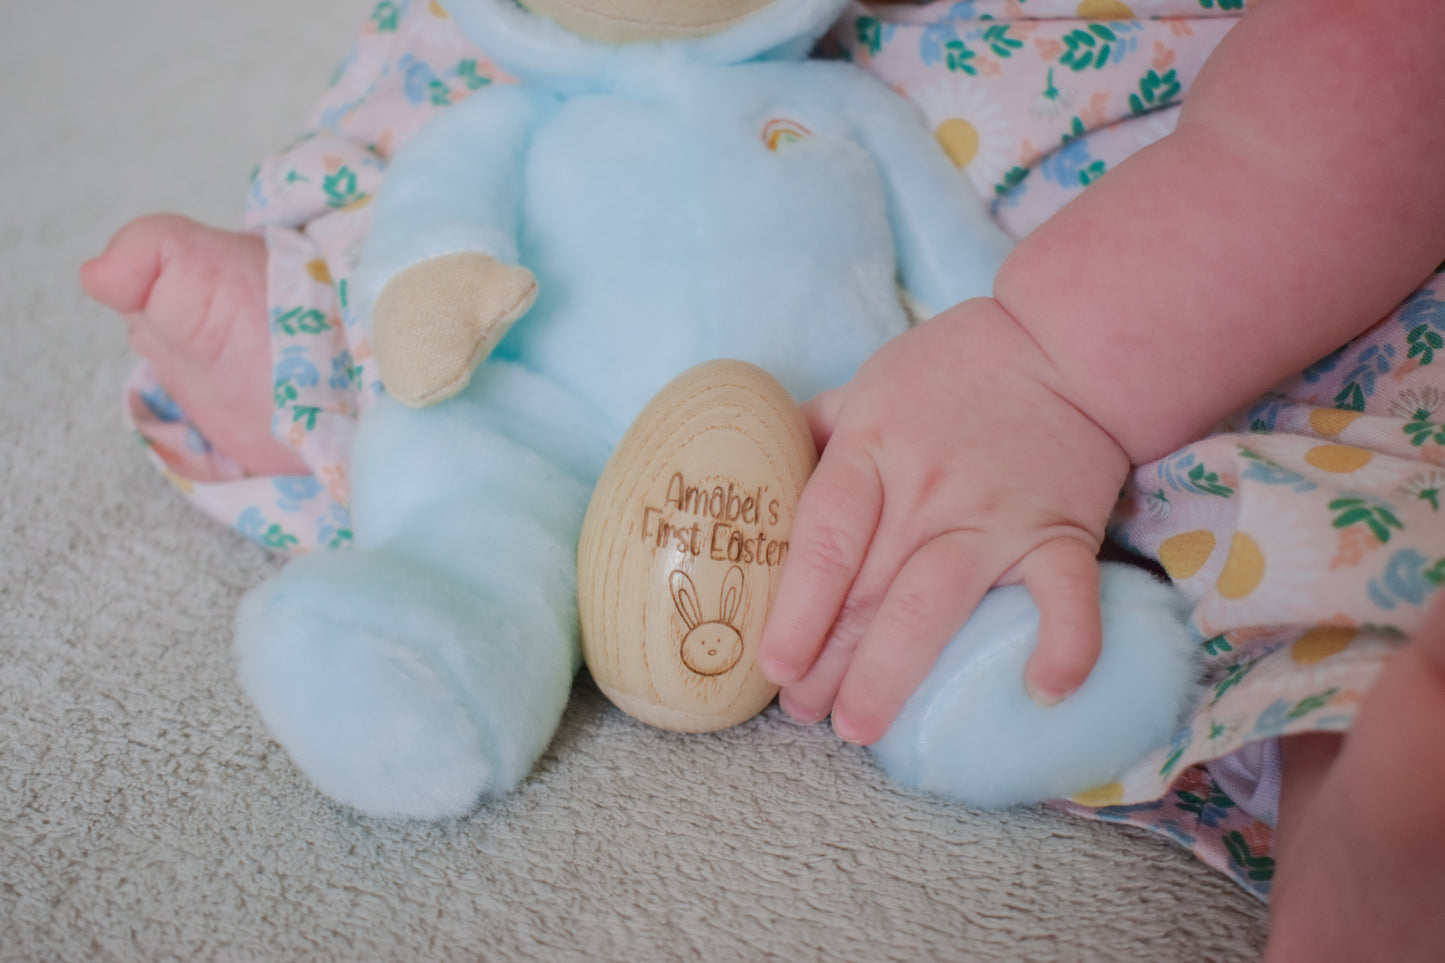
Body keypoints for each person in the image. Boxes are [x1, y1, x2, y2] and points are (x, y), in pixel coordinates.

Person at [81, 0, 1445, 957]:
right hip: (603, 213)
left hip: (1175, 256)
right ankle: (319, 336)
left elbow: (1385, 69)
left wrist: (1056, 369)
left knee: (1283, 531)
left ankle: (1360, 814)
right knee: (454, 218)